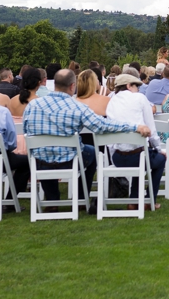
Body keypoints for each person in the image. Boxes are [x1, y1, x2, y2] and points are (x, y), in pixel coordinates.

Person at [24, 69, 148, 203]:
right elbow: (102, 126)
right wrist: (134, 126)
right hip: (69, 161)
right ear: (72, 86)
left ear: (54, 84)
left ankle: (52, 200)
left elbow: (26, 132)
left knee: (46, 153)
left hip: (40, 162)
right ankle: (81, 198)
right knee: (92, 153)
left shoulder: (33, 105)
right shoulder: (77, 107)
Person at [104, 72, 165, 209]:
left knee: (142, 155)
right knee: (159, 159)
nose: (138, 89)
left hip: (118, 157)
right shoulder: (139, 98)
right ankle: (149, 200)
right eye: (136, 86)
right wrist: (159, 149)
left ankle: (134, 199)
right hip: (137, 156)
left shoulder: (111, 101)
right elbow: (151, 129)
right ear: (128, 86)